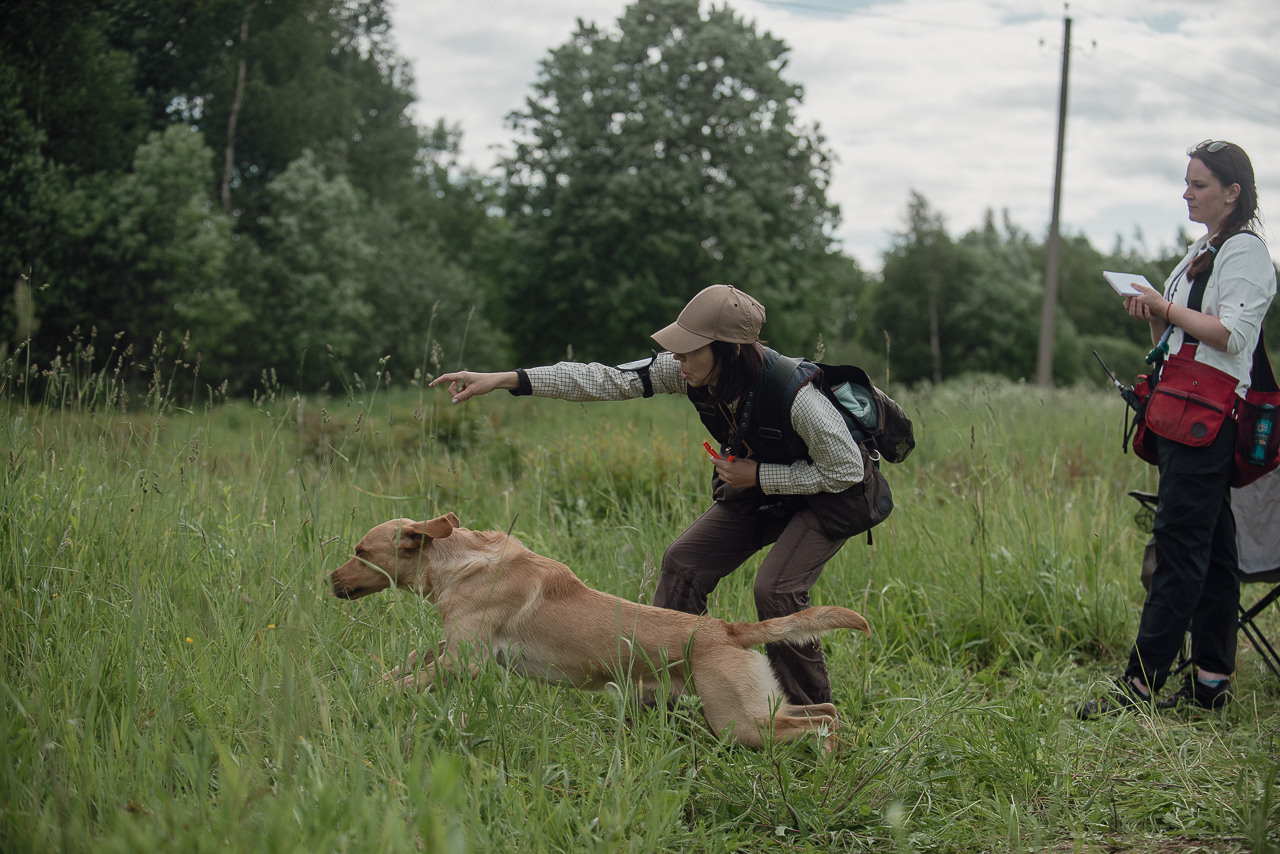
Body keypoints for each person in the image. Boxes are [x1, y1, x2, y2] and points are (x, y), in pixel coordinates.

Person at [431, 284, 876, 707]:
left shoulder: (799, 397)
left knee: (775, 589)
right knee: (683, 563)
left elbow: (846, 470)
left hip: (833, 495)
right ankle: (660, 706)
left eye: (687, 350)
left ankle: (812, 717)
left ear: (728, 349)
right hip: (760, 487)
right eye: (676, 349)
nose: (676, 359)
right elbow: (602, 379)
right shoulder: (688, 370)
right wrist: (507, 379)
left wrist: (760, 476)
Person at [1077, 140, 1276, 719]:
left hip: (1210, 420)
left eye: (1198, 184)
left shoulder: (1246, 254)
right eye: (1186, 183)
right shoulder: (1202, 249)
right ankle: (1211, 682)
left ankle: (1138, 688)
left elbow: (1231, 336)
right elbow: (1188, 339)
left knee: (1178, 550)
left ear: (1232, 191)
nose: (1186, 193)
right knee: (1212, 552)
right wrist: (1154, 317)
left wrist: (1166, 312)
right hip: (1183, 410)